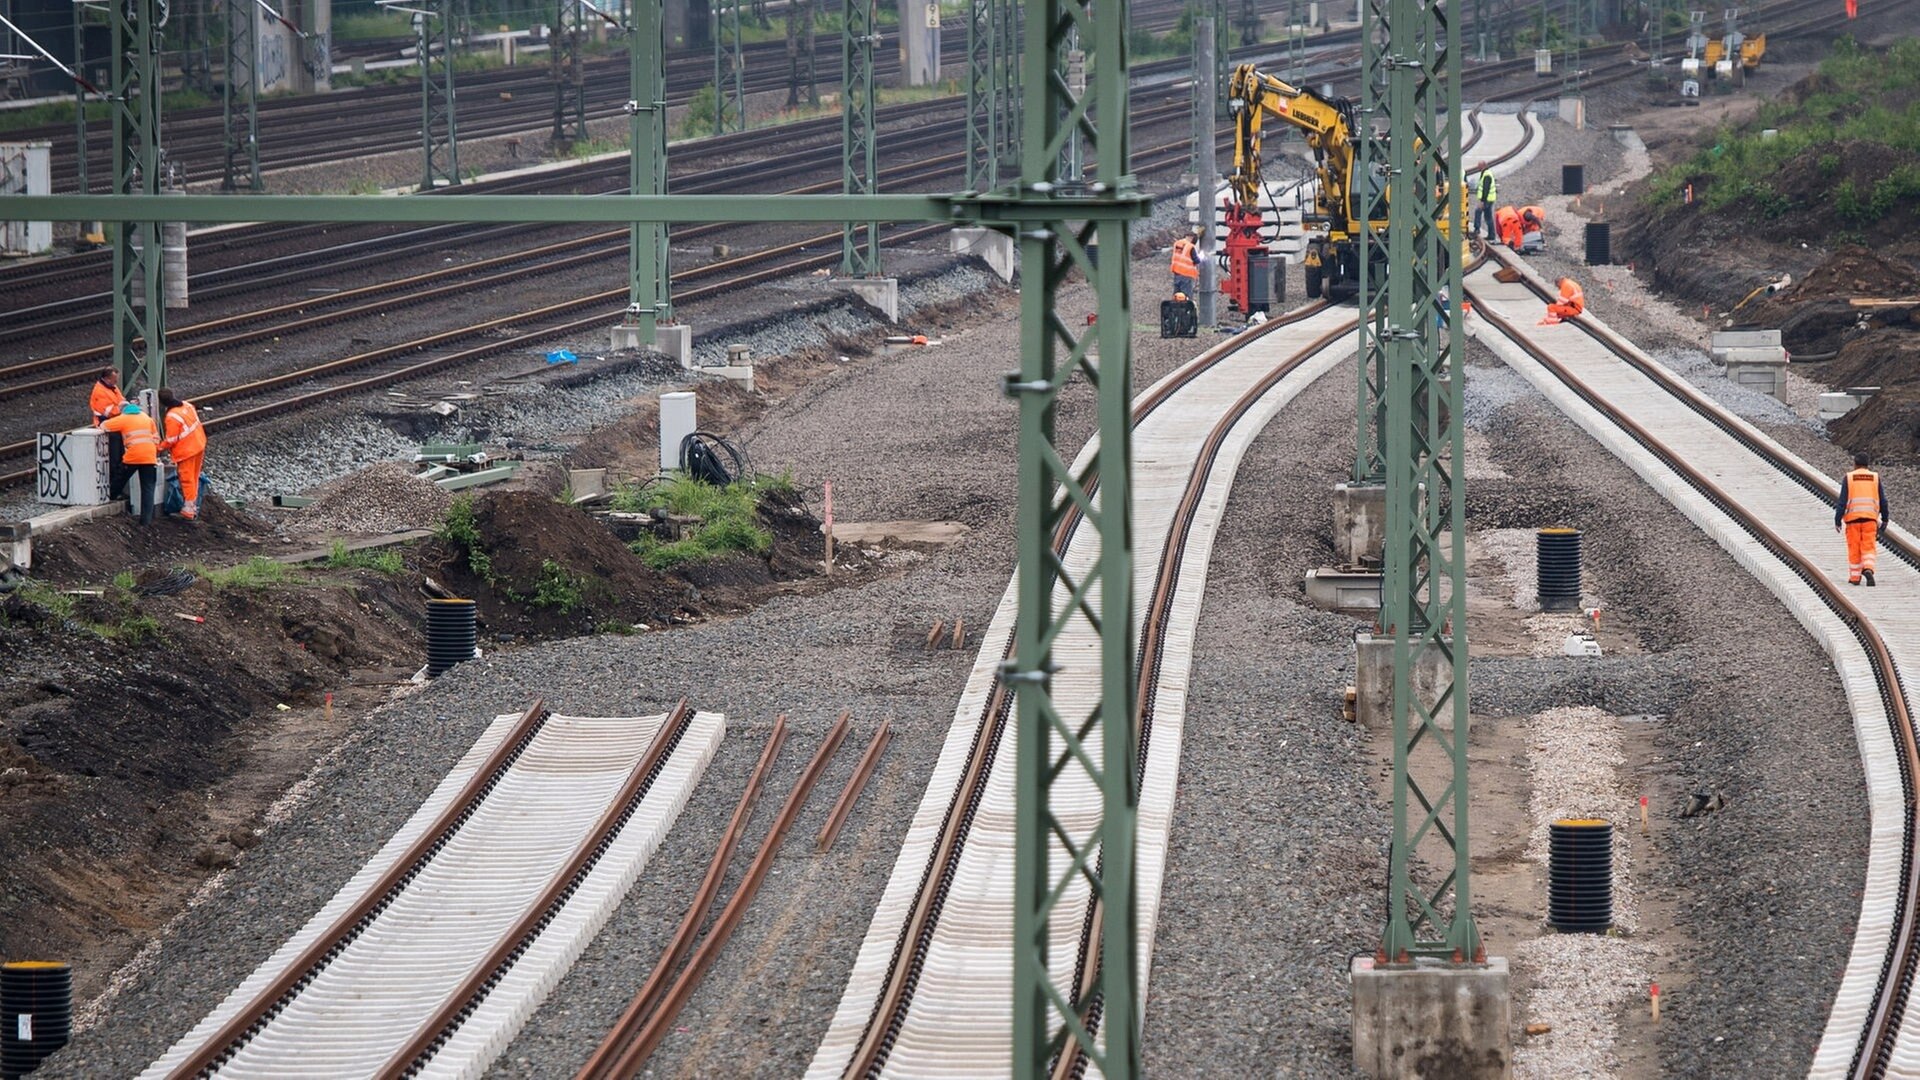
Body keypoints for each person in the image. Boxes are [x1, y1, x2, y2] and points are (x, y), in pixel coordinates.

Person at [101, 401, 161, 526]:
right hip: (150, 456)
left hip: (133, 456)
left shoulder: (123, 418)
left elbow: (103, 426)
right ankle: (146, 521)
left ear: (123, 410)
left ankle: (111, 496)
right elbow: (156, 438)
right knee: (148, 488)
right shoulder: (147, 418)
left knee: (120, 478)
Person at [1836, 451, 1890, 586]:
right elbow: (1883, 500)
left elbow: (1842, 502)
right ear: (1868, 464)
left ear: (1855, 464)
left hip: (1852, 520)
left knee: (1854, 547)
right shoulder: (1875, 478)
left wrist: (1837, 520)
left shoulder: (1849, 478)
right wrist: (1885, 518)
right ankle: (1868, 569)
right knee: (1868, 546)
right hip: (1870, 520)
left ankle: (1855, 578)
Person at [158, 388, 207, 521]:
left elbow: (171, 439)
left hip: (187, 450)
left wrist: (158, 447)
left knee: (187, 478)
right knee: (194, 476)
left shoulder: (172, 417)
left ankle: (188, 509)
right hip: (199, 443)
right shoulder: (187, 405)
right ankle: (192, 505)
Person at [1170, 228, 1200, 296]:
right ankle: (1186, 306)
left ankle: (1176, 306)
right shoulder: (1190, 246)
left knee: (1177, 296)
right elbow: (1196, 260)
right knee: (1187, 296)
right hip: (1186, 274)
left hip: (1177, 273)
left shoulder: (1177, 243)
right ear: (1191, 237)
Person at [1473, 164, 1497, 239]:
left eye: (1479, 166)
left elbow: (1485, 189)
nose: (1478, 168)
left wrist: (1482, 201)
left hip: (1487, 200)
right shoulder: (1486, 173)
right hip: (1489, 199)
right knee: (1488, 217)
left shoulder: (1486, 175)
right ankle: (1491, 235)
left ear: (1482, 166)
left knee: (1479, 211)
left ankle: (1477, 229)